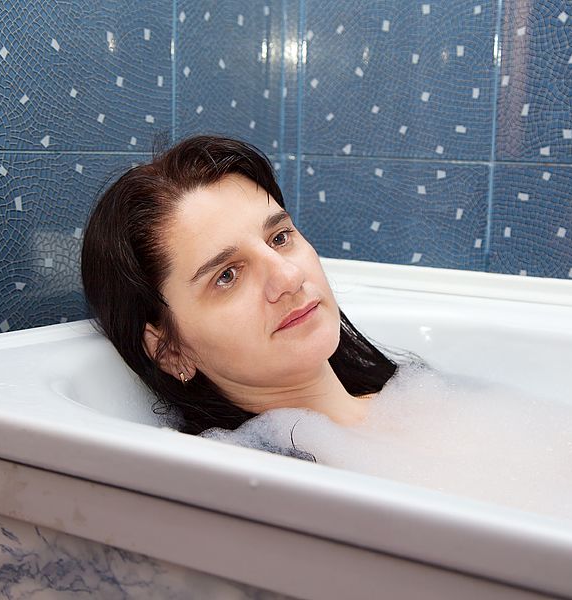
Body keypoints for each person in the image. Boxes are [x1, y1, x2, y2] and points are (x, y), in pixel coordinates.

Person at [80, 135, 422, 443]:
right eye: (227, 275)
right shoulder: (249, 492)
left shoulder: (425, 405)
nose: (288, 277)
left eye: (280, 237)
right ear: (170, 352)